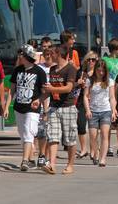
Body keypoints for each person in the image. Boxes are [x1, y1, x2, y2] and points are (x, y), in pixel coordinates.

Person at [4, 44, 47, 171]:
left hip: (32, 108)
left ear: (26, 55)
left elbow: (45, 92)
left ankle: (24, 161)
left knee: (29, 134)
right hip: (19, 107)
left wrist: (43, 107)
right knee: (24, 136)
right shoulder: (17, 70)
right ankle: (31, 159)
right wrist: (6, 107)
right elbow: (12, 91)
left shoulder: (39, 71)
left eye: (21, 54)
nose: (19, 56)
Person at [42, 45, 78, 175]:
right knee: (53, 136)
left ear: (59, 54)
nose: (50, 56)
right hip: (54, 106)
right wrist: (39, 99)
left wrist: (52, 89)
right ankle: (52, 164)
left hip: (68, 106)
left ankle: (70, 165)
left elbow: (68, 88)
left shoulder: (71, 69)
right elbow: (49, 90)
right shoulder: (52, 69)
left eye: (52, 53)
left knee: (70, 139)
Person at [84, 59, 118, 167]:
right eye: (99, 70)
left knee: (104, 134)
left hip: (105, 110)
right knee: (93, 136)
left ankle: (103, 158)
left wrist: (113, 110)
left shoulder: (110, 81)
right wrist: (88, 110)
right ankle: (96, 152)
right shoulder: (90, 81)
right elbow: (85, 96)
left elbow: (112, 97)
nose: (101, 73)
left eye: (103, 71)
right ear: (96, 70)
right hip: (93, 111)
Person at [102, 38, 118, 157]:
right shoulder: (105, 60)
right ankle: (109, 146)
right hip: (109, 92)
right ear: (114, 49)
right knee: (109, 120)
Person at [75, 51, 99, 159]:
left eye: (93, 60)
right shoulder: (81, 73)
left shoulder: (98, 73)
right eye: (89, 59)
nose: (91, 62)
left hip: (94, 102)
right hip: (81, 101)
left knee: (93, 128)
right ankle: (84, 149)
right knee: (81, 125)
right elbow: (72, 86)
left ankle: (93, 150)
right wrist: (78, 83)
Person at [36, 47, 55, 167]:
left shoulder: (56, 68)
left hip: (53, 101)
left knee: (51, 132)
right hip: (42, 99)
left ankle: (47, 156)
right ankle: (42, 155)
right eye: (46, 54)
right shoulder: (39, 68)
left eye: (50, 54)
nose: (48, 56)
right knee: (42, 131)